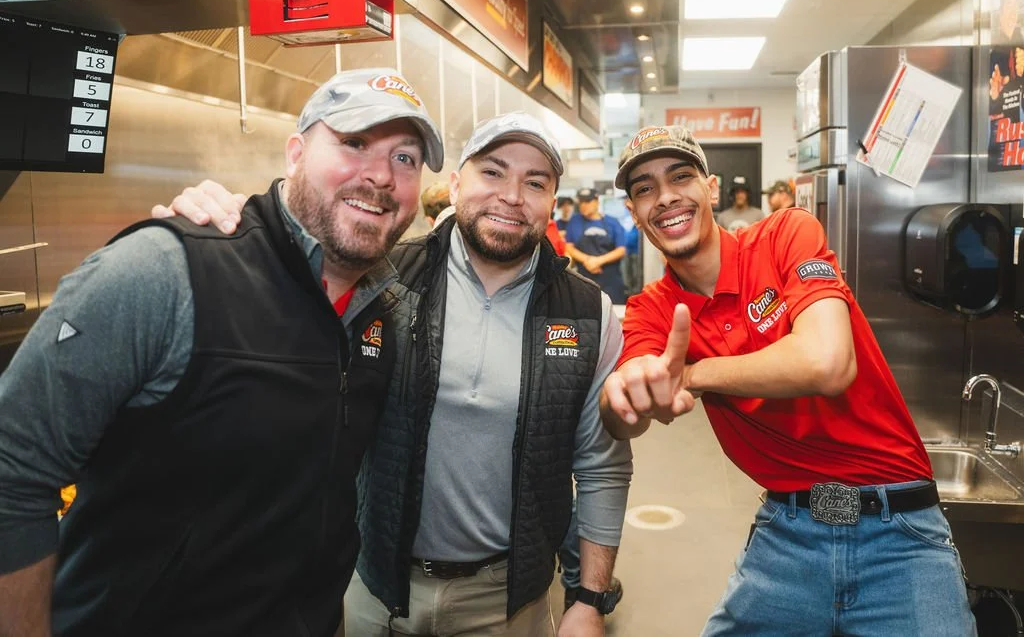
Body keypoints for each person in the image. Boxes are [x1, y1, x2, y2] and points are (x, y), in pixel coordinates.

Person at [0, 68, 444, 637]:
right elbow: (14, 473)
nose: (380, 175)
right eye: (354, 143)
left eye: (405, 158)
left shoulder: (382, 313)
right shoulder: (164, 270)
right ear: (296, 153)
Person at [158, 112, 633, 637]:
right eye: (492, 173)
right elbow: (281, 267)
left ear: (551, 202)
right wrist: (227, 218)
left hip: (507, 601)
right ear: (455, 185)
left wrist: (588, 597)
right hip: (372, 586)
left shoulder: (588, 314)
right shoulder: (378, 280)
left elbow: (601, 466)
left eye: (535, 182)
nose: (512, 196)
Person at [599, 124, 977, 636]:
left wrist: (695, 373)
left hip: (901, 533)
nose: (665, 197)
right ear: (634, 213)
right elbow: (627, 415)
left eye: (679, 177)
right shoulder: (651, 310)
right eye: (643, 188)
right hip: (788, 532)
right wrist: (624, 396)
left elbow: (827, 362)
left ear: (710, 189)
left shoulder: (785, 235)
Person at [565, 188, 628, 304]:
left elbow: (621, 250)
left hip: (611, 281)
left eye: (588, 202)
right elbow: (569, 247)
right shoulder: (575, 221)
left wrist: (598, 261)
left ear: (597, 201)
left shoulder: (612, 222)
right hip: (583, 280)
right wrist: (588, 260)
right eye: (581, 202)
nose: (584, 206)